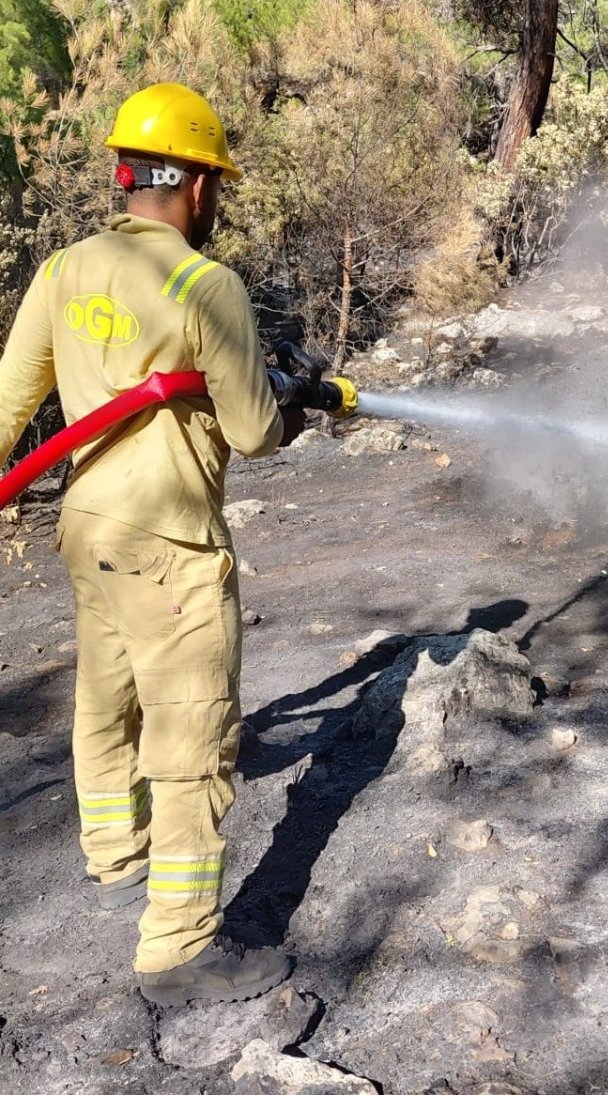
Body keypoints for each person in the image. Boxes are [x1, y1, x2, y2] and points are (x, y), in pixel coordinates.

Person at [0, 82, 303, 1006]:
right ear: (200, 188)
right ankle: (178, 947)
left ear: (126, 174)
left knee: (105, 696)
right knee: (190, 733)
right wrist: (295, 401)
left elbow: (10, 401)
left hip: (86, 524)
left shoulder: (59, 271)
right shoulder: (203, 285)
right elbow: (254, 432)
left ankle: (114, 854)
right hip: (167, 539)